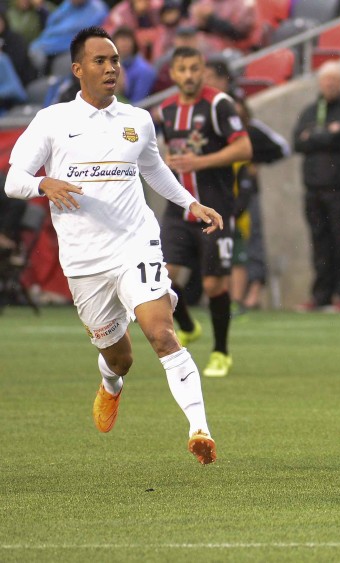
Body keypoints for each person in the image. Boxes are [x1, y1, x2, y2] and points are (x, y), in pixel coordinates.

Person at [3, 26, 225, 463]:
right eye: (100, 61)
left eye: (115, 61)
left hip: (135, 244)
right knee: (119, 357)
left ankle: (200, 429)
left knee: (162, 333)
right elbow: (13, 180)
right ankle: (110, 384)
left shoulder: (136, 120)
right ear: (78, 69)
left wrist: (191, 203)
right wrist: (44, 182)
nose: (111, 68)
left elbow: (154, 169)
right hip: (85, 258)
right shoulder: (52, 121)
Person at [158, 45, 252, 378]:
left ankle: (221, 352)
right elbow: (170, 152)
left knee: (214, 285)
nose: (188, 76)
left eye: (194, 69)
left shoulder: (218, 104)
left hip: (215, 209)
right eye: (182, 70)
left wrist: (200, 162)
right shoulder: (166, 110)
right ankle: (187, 324)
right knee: (162, 278)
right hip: (177, 210)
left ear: (202, 70)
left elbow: (244, 147)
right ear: (173, 73)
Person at [292, 60, 340, 313]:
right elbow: (298, 141)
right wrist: (324, 134)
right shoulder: (310, 110)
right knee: (319, 243)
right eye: (325, 80)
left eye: (334, 80)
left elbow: (339, 135)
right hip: (313, 187)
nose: (329, 85)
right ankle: (321, 295)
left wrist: (316, 135)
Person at [229, 96, 289, 314]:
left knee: (251, 241)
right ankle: (232, 297)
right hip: (223, 193)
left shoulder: (253, 131)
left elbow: (283, 148)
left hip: (246, 193)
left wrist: (257, 161)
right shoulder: (218, 131)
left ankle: (253, 292)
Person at [28, 0, 107, 73]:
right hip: (45, 47)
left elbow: (75, 36)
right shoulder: (68, 4)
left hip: (70, 52)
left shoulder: (96, 10)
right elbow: (51, 23)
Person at [112, 26, 156, 102]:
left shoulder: (144, 70)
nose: (124, 45)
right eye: (121, 41)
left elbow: (138, 103)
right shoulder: (113, 65)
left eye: (127, 41)